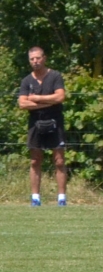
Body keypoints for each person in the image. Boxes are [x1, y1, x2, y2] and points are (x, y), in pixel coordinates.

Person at [17, 46, 67, 206]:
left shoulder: (55, 76)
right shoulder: (26, 81)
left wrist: (37, 98)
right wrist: (48, 102)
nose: (35, 61)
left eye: (38, 58)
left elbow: (60, 97)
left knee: (59, 160)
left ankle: (61, 198)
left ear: (44, 58)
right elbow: (22, 104)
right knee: (35, 161)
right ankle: (35, 198)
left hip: (55, 121)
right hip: (35, 123)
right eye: (32, 59)